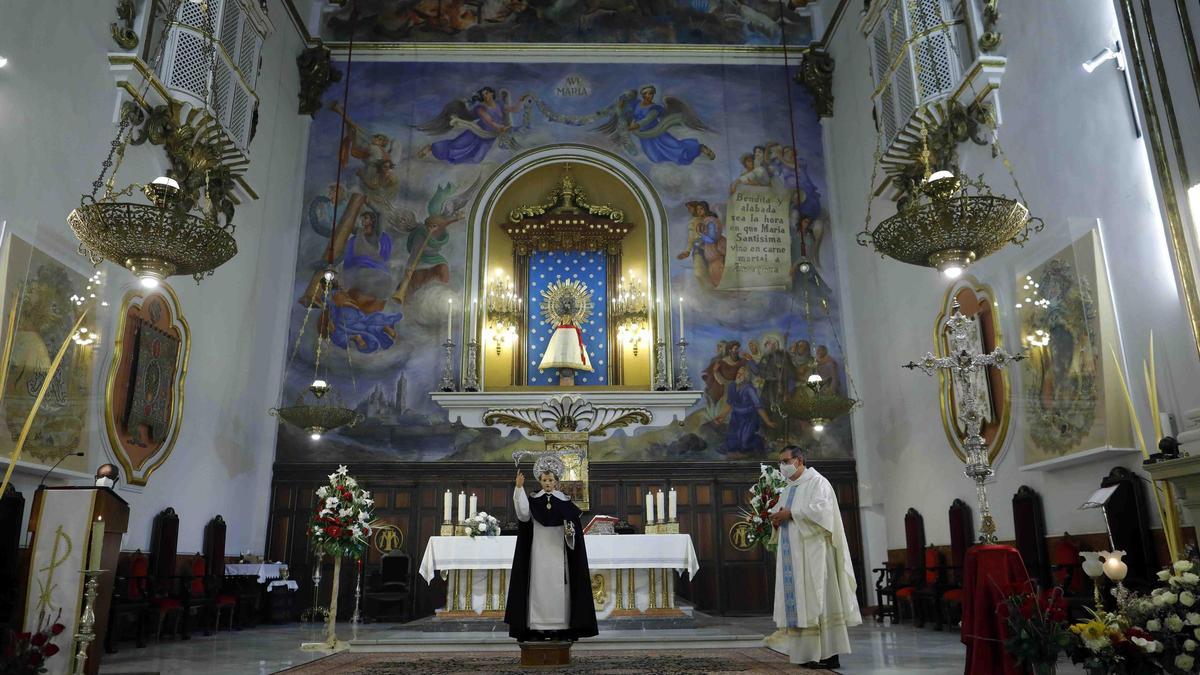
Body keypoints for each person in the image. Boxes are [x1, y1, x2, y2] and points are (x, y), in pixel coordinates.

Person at [765, 445, 861, 669]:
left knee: (820, 601)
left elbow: (823, 513)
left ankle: (829, 654)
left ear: (799, 460)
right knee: (800, 604)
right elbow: (781, 513)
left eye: (785, 461)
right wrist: (776, 520)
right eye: (780, 462)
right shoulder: (788, 489)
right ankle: (807, 654)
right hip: (794, 557)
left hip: (815, 556)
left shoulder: (818, 483)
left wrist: (792, 514)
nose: (783, 466)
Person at [505, 455, 598, 644]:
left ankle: (560, 628)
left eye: (551, 480)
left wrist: (570, 534)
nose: (547, 483)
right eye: (544, 480)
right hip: (538, 553)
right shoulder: (533, 501)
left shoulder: (565, 502)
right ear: (540, 481)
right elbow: (523, 515)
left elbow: (573, 530)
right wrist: (519, 488)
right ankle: (538, 628)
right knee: (538, 588)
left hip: (558, 554)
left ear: (556, 482)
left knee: (559, 590)